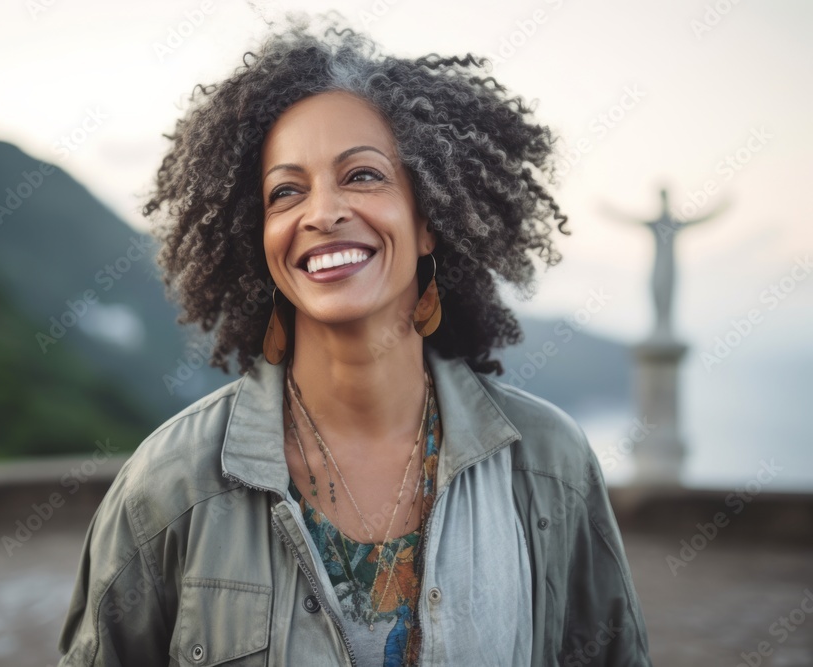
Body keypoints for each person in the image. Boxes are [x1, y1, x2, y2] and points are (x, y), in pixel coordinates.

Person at [57, 13, 652, 667]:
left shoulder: (548, 464)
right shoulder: (168, 486)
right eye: (286, 192)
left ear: (428, 220)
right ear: (259, 239)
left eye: (362, 175)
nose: (322, 212)